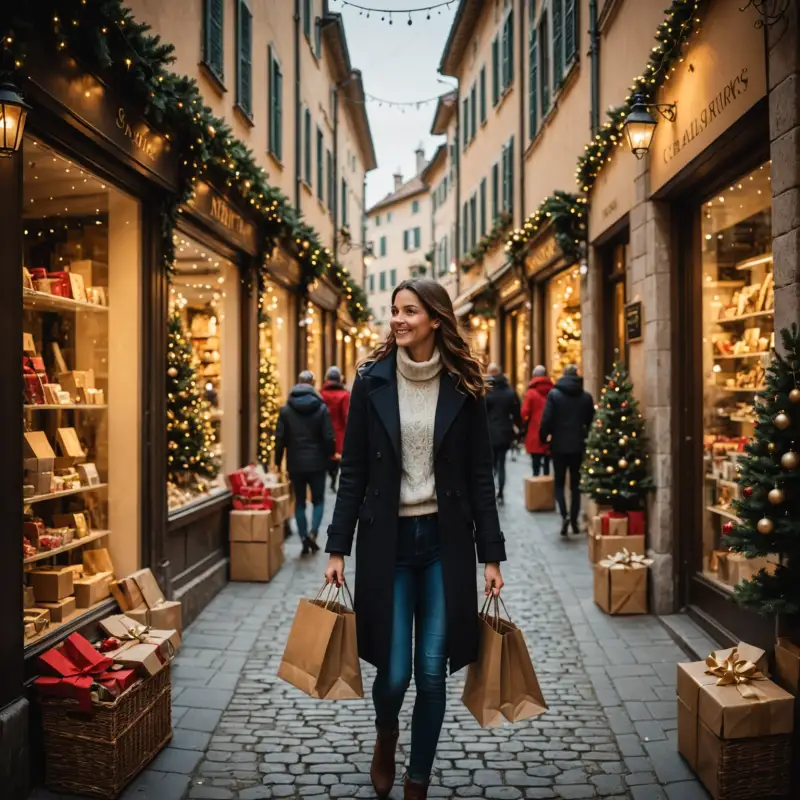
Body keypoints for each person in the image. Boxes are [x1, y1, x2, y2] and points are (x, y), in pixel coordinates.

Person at [323, 278, 506, 800]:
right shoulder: (371, 381)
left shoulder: (464, 386)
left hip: (445, 544)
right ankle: (386, 734)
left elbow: (480, 477)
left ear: (435, 319)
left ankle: (417, 780)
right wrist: (337, 547)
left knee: (430, 673)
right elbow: (354, 471)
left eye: (409, 311)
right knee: (394, 673)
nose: (398, 320)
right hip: (389, 544)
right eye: (394, 310)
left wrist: (491, 556)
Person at [274, 371, 335, 555]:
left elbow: (280, 439)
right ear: (313, 384)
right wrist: (330, 455)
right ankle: (313, 533)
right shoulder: (321, 408)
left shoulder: (286, 410)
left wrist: (277, 462)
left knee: (299, 501)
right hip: (317, 463)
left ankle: (303, 537)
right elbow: (329, 437)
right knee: (318, 500)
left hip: (295, 463)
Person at [539, 364, 595, 537]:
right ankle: (574, 520)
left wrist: (544, 438)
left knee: (559, 482)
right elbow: (591, 421)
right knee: (575, 485)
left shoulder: (554, 395)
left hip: (558, 445)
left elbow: (547, 419)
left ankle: (564, 515)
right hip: (577, 446)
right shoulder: (585, 397)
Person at [484, 363, 521, 504]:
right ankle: (500, 493)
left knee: (490, 465)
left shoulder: (486, 392)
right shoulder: (509, 392)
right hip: (505, 433)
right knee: (501, 464)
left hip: (489, 433)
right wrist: (519, 429)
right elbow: (517, 414)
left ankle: (491, 492)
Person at [320, 366, 350, 492]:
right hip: (339, 434)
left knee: (326, 457)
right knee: (337, 459)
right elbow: (346, 416)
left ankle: (328, 479)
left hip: (323, 432)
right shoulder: (345, 395)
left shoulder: (321, 394)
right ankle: (333, 480)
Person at [521, 365, 554, 477]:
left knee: (536, 462)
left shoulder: (531, 393)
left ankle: (536, 480)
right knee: (547, 460)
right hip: (549, 431)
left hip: (534, 431)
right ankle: (547, 480)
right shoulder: (552, 390)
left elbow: (524, 412)